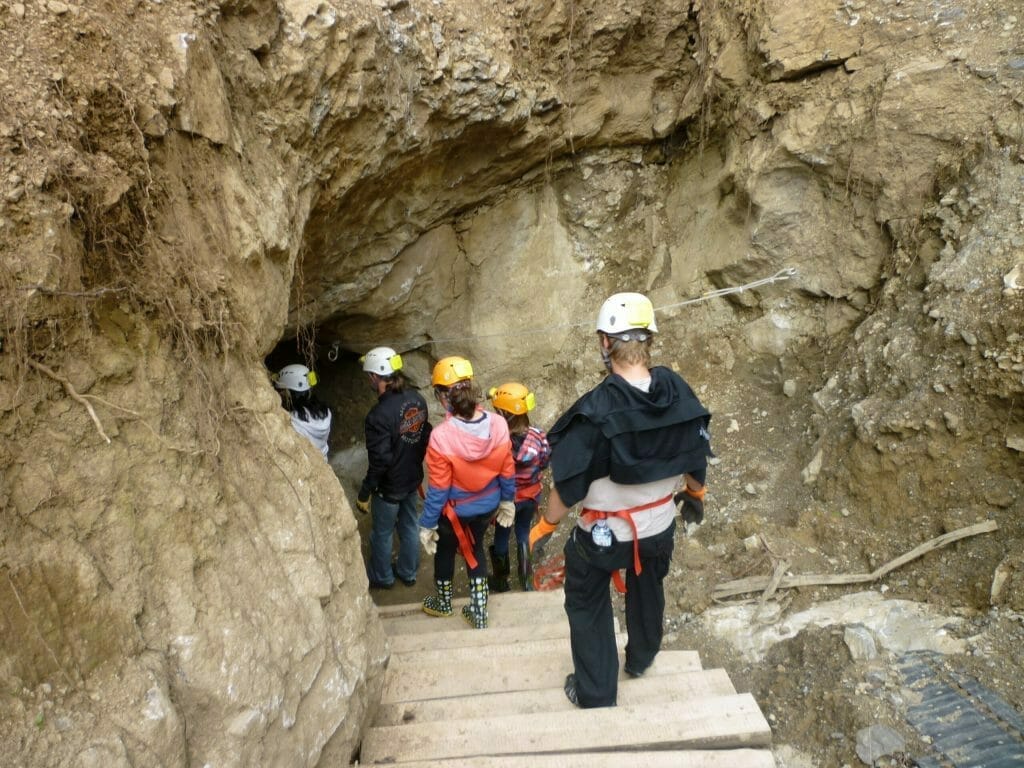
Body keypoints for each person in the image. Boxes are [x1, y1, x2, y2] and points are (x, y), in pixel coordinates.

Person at [528, 292, 712, 708]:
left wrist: (545, 526)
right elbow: (696, 446)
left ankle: (595, 692)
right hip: (658, 527)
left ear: (604, 342)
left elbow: (569, 486)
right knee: (648, 586)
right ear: (648, 340)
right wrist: (695, 492)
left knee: (586, 600)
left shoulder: (596, 410)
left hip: (603, 535)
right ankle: (642, 658)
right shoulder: (676, 390)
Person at [418, 356, 516, 628]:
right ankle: (480, 610)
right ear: (471, 386)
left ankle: (444, 602)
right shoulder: (498, 424)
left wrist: (427, 524)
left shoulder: (441, 437)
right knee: (475, 548)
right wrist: (508, 500)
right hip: (487, 506)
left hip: (453, 512)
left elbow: (438, 489)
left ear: (441, 397)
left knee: (446, 551)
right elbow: (507, 469)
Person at [356, 347, 432, 590]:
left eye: (369, 375)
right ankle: (408, 573)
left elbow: (381, 460)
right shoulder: (417, 400)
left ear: (376, 377)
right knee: (410, 526)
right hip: (412, 480)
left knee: (382, 533)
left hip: (389, 488)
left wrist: (366, 490)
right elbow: (424, 435)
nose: (368, 379)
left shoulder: (378, 416)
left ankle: (382, 576)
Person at [487, 382, 551, 592]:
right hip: (531, 496)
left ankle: (501, 580)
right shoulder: (538, 435)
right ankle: (525, 579)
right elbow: (544, 461)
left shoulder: (498, 443)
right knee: (523, 533)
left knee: (502, 536)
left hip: (507, 500)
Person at [274, 363, 332, 459]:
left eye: (282, 392)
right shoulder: (325, 412)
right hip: (323, 461)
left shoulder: (293, 422)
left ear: (289, 393)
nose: (280, 395)